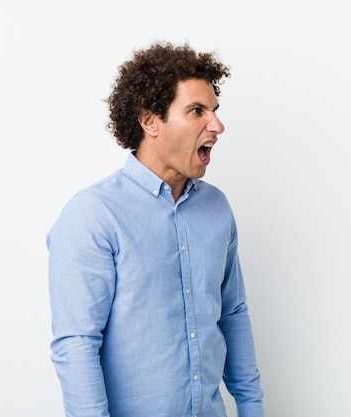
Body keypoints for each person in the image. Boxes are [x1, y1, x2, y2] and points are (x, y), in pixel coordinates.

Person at [47, 41, 264, 417]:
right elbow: (77, 345)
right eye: (197, 111)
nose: (217, 125)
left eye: (214, 110)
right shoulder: (94, 215)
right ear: (150, 122)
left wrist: (251, 408)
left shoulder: (217, 208)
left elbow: (233, 313)